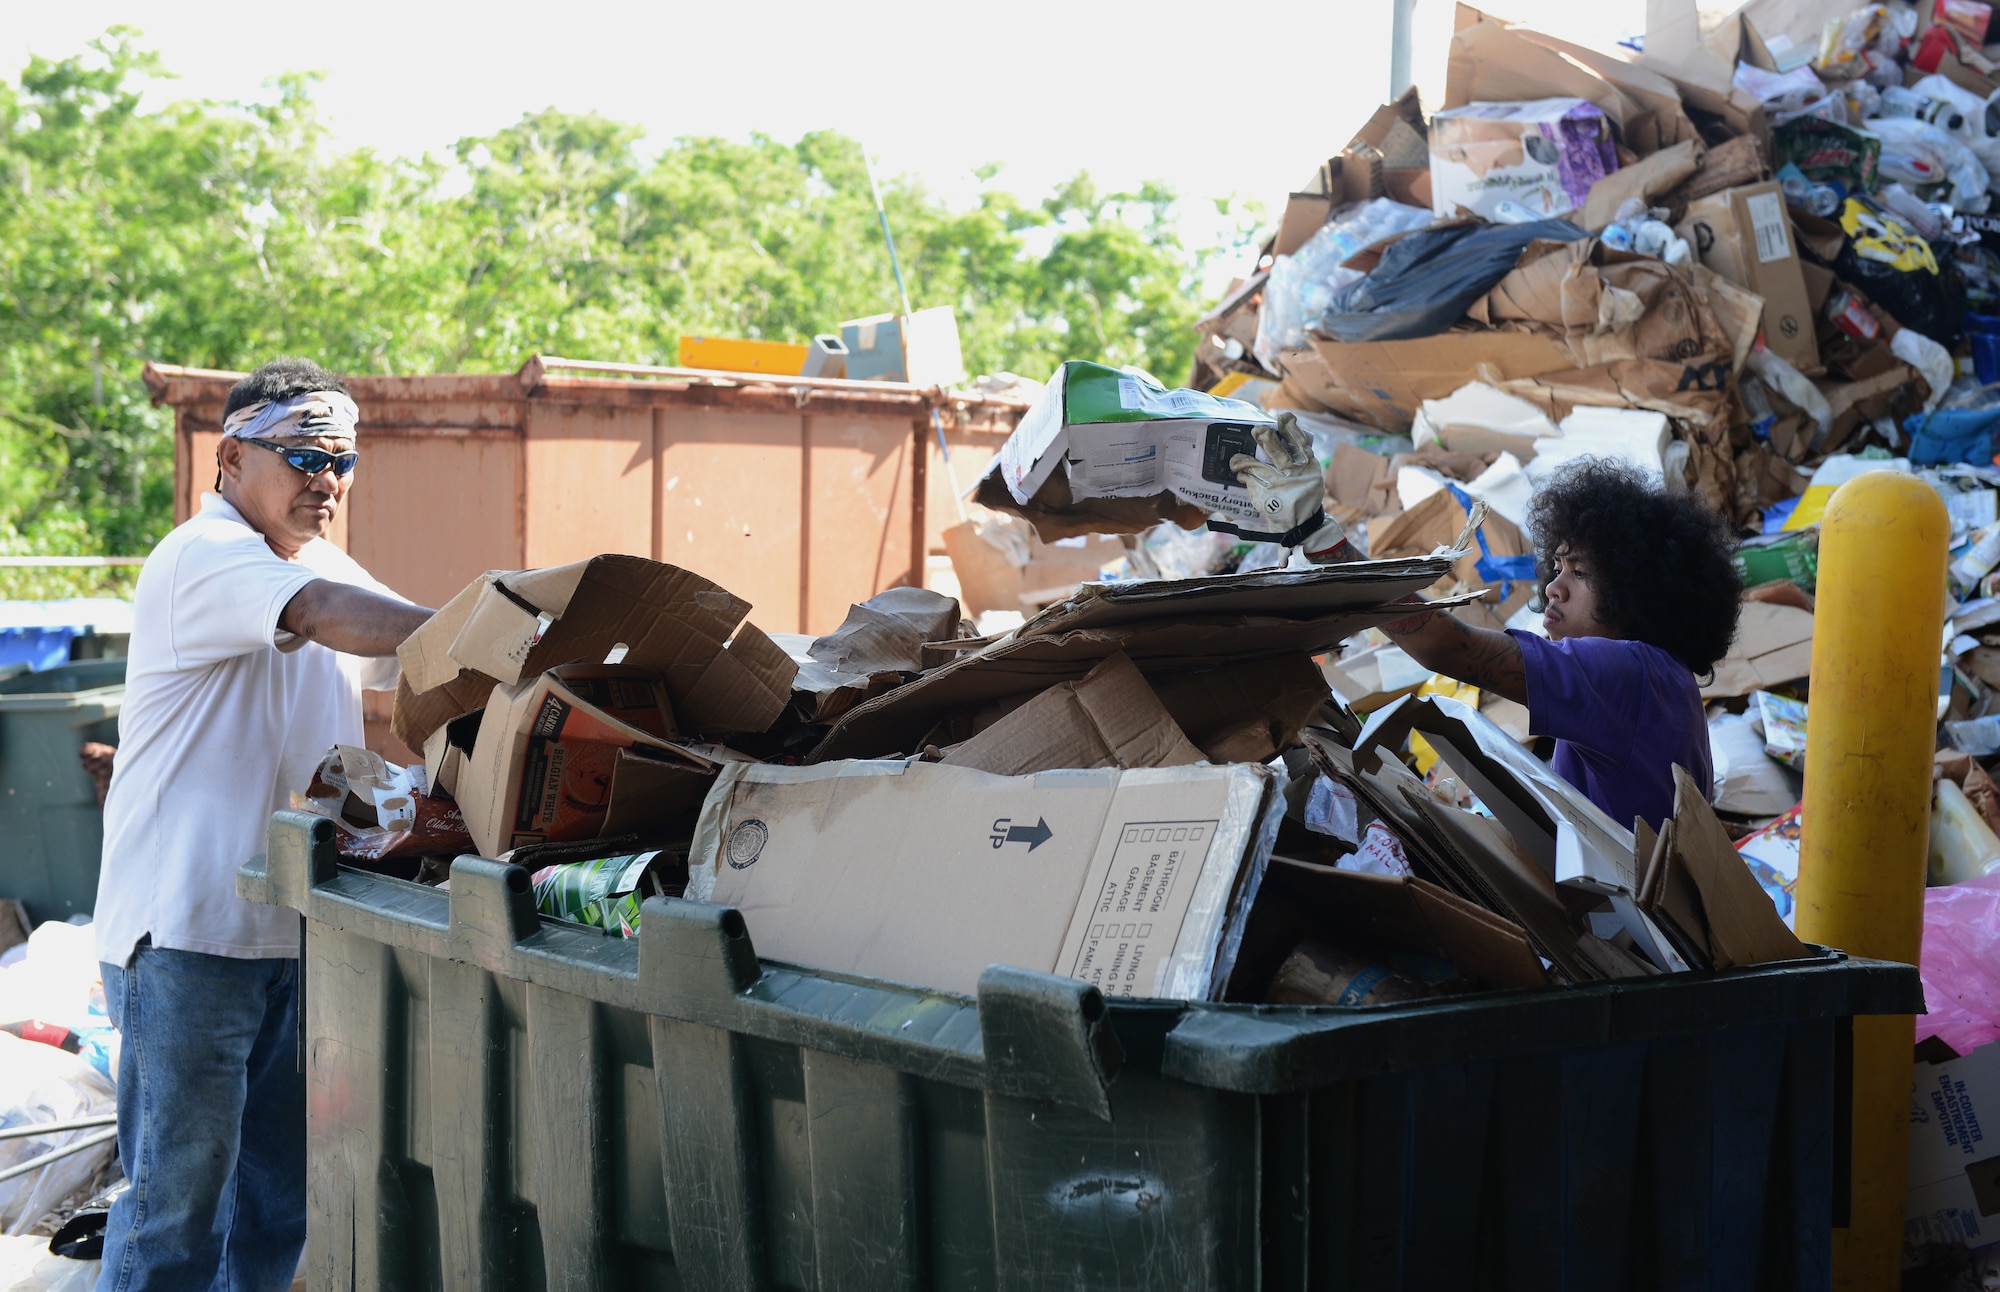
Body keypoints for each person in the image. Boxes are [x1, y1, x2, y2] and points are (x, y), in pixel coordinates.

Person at [93, 357, 434, 1291]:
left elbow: (395, 645)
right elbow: (335, 618)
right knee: (177, 1216)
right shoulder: (203, 558)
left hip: (289, 937)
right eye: (303, 456)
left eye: (342, 462)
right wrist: (485, 627)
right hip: (187, 939)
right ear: (231, 457)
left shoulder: (314, 563)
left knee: (277, 1206)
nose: (326, 481)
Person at [1372, 458, 1742, 831]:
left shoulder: (1624, 674)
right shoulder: (1661, 675)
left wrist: (1333, 556)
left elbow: (1445, 646)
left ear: (1640, 593)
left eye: (1579, 573)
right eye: (1557, 566)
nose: (1553, 587)